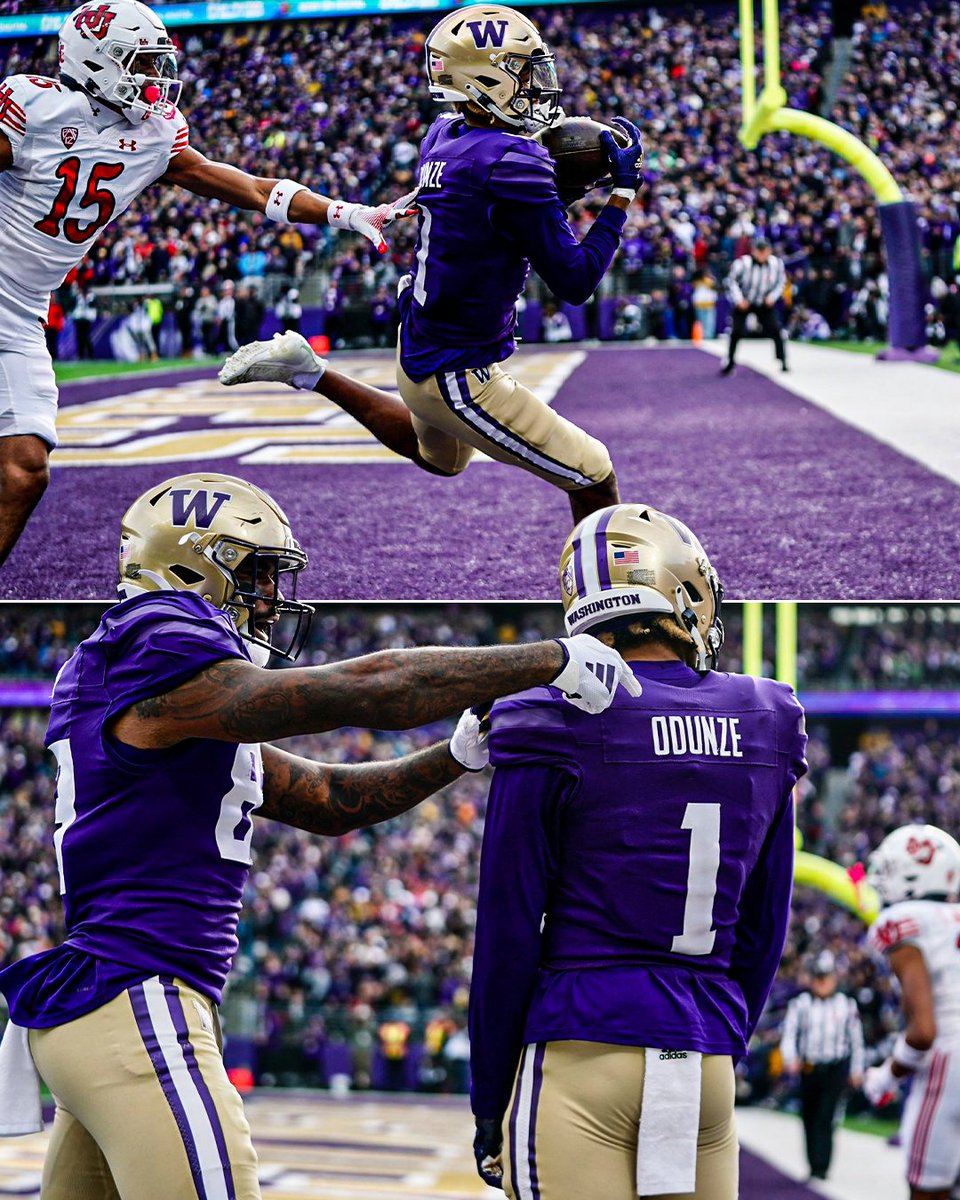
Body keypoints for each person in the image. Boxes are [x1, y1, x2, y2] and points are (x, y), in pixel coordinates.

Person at [0, 470, 639, 1198]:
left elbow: (331, 799)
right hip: (136, 997)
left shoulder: (167, 695)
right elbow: (368, 689)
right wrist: (546, 659)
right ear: (192, 566)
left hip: (106, 1006)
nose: (270, 600)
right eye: (257, 575)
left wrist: (456, 755)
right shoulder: (155, 636)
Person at [467, 503, 808, 1200]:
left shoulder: (548, 715)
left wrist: (487, 1101)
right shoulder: (768, 717)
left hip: (583, 1046)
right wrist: (717, 1033)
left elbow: (506, 933)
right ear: (681, 592)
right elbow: (765, 928)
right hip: (705, 1057)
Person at [0, 0, 416, 568]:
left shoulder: (155, 132)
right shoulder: (34, 106)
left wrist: (342, 213)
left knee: (25, 469)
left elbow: (249, 186)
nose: (153, 78)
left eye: (155, 62)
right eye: (138, 63)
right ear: (94, 62)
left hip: (22, 307)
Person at [219, 4, 645, 527]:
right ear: (486, 79)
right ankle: (601, 597)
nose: (541, 85)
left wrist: (569, 185)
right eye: (526, 71)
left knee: (439, 459)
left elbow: (495, 209)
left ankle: (309, 371)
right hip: (457, 371)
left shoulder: (443, 134)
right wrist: (621, 196)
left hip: (418, 340)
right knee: (593, 474)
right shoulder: (515, 162)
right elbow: (576, 280)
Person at [863, 824, 960, 1200]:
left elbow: (923, 1032)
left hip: (948, 1065)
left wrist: (884, 1078)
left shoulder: (905, 921)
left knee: (927, 1191)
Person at [779, 950, 865, 1182]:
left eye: (826, 977)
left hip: (834, 1068)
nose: (822, 982)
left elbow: (856, 1041)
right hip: (809, 1068)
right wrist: (791, 1059)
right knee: (809, 1115)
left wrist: (857, 1069)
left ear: (834, 979)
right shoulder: (801, 1004)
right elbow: (789, 1034)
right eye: (818, 977)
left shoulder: (847, 1005)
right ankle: (813, 1163)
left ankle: (822, 1167)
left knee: (825, 1117)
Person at [720, 238, 788, 375]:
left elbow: (781, 282)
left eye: (765, 251)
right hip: (745, 300)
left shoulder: (776, 264)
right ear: (754, 251)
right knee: (736, 331)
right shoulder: (742, 263)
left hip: (764, 301)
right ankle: (730, 361)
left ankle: (783, 361)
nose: (762, 254)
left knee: (775, 329)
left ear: (769, 251)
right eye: (759, 251)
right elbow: (730, 281)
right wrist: (739, 300)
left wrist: (772, 297)